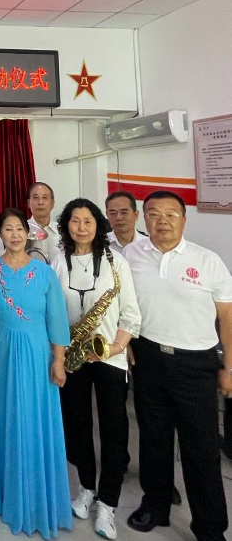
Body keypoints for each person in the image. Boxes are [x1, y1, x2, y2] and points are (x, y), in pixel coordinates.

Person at [123, 190, 232, 541]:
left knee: (201, 448)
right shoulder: (131, 254)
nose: (163, 221)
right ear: (144, 218)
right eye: (154, 214)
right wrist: (127, 344)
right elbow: (125, 304)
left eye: (171, 214)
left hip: (195, 363)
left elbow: (227, 317)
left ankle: (210, 527)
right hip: (148, 357)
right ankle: (156, 505)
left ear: (184, 219)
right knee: (153, 438)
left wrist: (229, 368)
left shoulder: (207, 260)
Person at [50, 199, 141, 540]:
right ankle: (86, 488)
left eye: (88, 221)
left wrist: (115, 347)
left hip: (109, 356)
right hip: (73, 355)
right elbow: (52, 310)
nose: (81, 227)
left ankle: (109, 503)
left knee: (114, 429)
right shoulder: (58, 261)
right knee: (77, 425)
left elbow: (130, 312)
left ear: (97, 224)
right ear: (66, 226)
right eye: (75, 221)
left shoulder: (116, 262)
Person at [0, 208, 72, 539]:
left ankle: (35, 496)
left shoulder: (44, 272)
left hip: (37, 354)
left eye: (19, 228)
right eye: (8, 229)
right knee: (3, 417)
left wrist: (59, 359)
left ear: (28, 232)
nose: (15, 234)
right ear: (0, 234)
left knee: (34, 419)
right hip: (1, 353)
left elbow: (57, 318)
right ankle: (5, 490)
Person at [27, 181, 61, 258]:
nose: (40, 202)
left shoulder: (62, 231)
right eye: (36, 198)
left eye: (45, 197)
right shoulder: (20, 229)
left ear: (52, 203)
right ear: (29, 203)